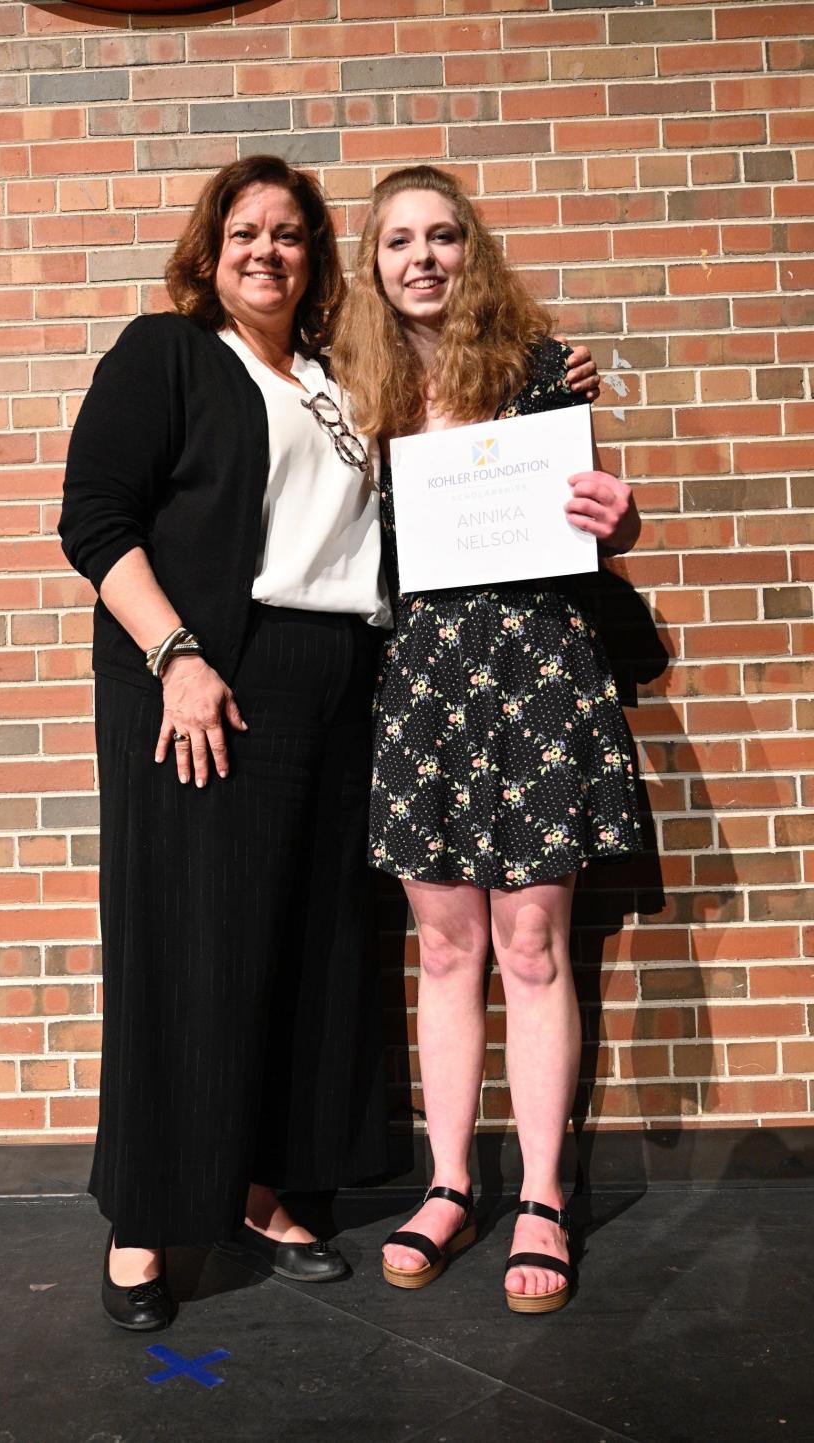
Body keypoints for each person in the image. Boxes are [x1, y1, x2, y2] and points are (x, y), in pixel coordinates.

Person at [59, 155, 394, 1330]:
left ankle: (264, 1189)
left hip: (341, 680)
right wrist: (178, 658)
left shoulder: (342, 377)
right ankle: (145, 1223)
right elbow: (94, 519)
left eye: (292, 234)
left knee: (312, 947)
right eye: (245, 231)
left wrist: (553, 386)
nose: (268, 250)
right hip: (207, 677)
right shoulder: (167, 353)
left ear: (315, 258)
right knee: (186, 949)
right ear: (210, 252)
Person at [332, 166, 643, 1314]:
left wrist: (621, 515)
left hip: (534, 665)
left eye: (444, 236)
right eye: (399, 239)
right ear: (371, 263)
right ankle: (452, 1182)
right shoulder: (349, 391)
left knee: (533, 944)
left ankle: (547, 1195)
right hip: (420, 682)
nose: (423, 257)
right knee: (448, 947)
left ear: (473, 252)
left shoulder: (536, 371)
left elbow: (588, 519)